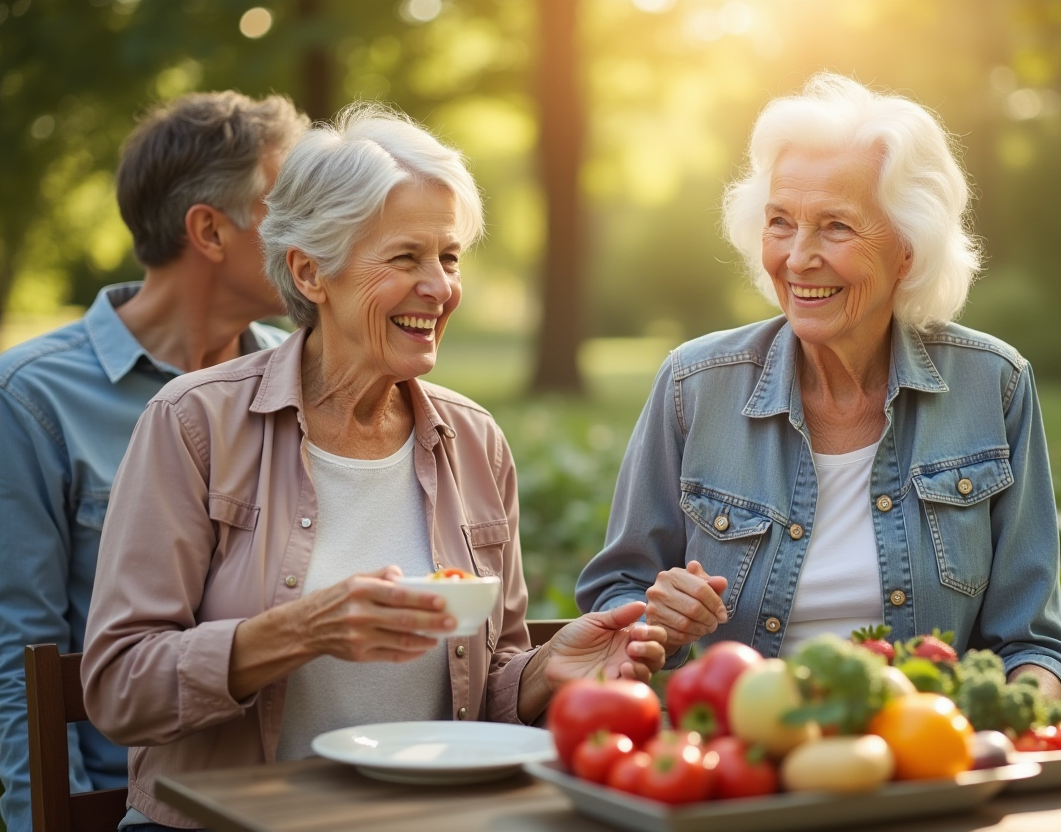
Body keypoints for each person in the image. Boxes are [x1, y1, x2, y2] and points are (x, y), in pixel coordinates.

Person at [81, 102, 667, 831]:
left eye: (449, 257)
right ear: (310, 272)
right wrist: (300, 631)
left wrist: (551, 672)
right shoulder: (194, 423)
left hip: (424, 819)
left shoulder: (474, 441)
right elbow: (118, 687)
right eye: (404, 258)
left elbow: (484, 695)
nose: (441, 287)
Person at [576, 73, 1061, 700]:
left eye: (836, 226)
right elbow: (615, 601)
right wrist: (658, 620)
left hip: (920, 761)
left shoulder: (993, 387)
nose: (797, 257)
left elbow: (1032, 646)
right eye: (780, 222)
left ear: (908, 249)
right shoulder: (694, 384)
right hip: (736, 760)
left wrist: (1017, 713)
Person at [0, 91, 308, 831]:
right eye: (289, 208)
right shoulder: (34, 400)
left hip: (289, 792)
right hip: (130, 808)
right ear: (209, 230)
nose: (318, 234)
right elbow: (16, 661)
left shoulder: (303, 382)